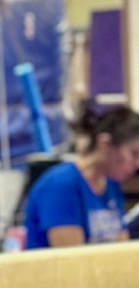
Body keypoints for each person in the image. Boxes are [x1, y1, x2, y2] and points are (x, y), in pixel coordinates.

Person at [23, 101, 139, 249]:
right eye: (134, 154)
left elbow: (121, 250)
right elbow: (72, 262)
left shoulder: (111, 183)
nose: (137, 164)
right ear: (105, 144)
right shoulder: (60, 186)